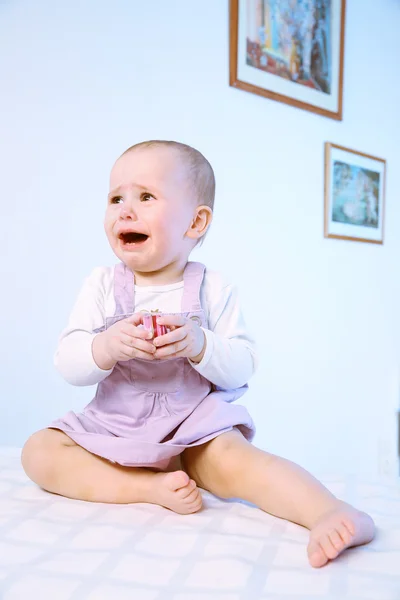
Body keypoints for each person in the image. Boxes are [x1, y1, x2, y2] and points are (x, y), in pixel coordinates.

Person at [21, 140, 375, 568]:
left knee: (238, 460)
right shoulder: (101, 284)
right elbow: (68, 362)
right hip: (116, 426)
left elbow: (243, 365)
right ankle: (145, 488)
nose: (125, 210)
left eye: (146, 196)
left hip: (194, 429)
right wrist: (106, 346)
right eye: (116, 198)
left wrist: (201, 344)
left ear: (196, 220)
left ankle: (329, 511)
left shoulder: (212, 287)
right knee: (38, 451)